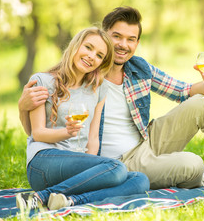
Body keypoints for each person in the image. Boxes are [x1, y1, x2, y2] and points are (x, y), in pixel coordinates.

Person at [18, 7, 204, 190]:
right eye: (117, 36)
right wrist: (22, 106)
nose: (123, 45)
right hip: (118, 163)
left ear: (137, 43)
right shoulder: (86, 71)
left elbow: (183, 92)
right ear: (104, 34)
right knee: (193, 163)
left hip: (146, 141)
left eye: (131, 39)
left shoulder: (138, 68)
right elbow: (42, 128)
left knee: (201, 103)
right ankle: (196, 177)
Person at [16, 27, 149, 211]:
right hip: (43, 162)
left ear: (102, 62)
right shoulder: (43, 81)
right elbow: (37, 134)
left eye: (99, 55)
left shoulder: (99, 88)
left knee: (140, 180)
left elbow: (92, 139)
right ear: (76, 45)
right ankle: (41, 196)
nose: (91, 56)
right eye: (88, 47)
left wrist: (92, 173)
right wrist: (66, 132)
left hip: (74, 168)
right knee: (117, 168)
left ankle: (68, 201)